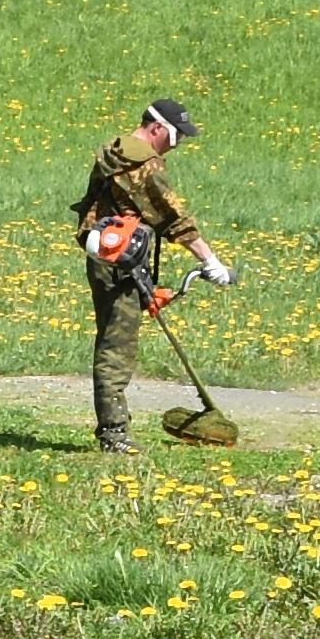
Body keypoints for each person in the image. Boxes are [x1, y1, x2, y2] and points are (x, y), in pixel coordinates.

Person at [74, 93, 228, 453]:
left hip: (106, 255)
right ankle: (114, 435)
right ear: (157, 128)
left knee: (113, 342)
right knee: (117, 348)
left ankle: (114, 430)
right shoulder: (146, 164)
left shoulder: (114, 151)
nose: (178, 144)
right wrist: (210, 261)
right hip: (122, 262)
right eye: (176, 136)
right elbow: (172, 217)